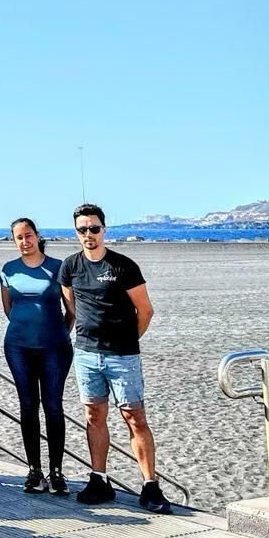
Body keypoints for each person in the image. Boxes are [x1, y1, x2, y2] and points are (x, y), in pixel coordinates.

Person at [60, 202, 171, 514]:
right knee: (94, 416)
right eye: (83, 229)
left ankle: (150, 486)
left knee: (134, 418)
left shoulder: (123, 266)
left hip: (122, 357)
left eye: (94, 228)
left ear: (104, 230)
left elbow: (145, 311)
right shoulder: (70, 266)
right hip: (86, 355)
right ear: (76, 233)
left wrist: (128, 341)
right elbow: (71, 307)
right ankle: (99, 479)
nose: (89, 234)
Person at [0, 216, 73, 495]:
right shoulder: (9, 270)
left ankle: (56, 472)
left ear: (37, 235)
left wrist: (57, 332)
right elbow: (9, 309)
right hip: (18, 347)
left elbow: (71, 310)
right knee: (28, 406)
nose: (24, 241)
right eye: (19, 237)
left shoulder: (58, 267)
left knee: (53, 406)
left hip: (55, 347)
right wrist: (27, 329)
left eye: (28, 235)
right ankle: (34, 471)